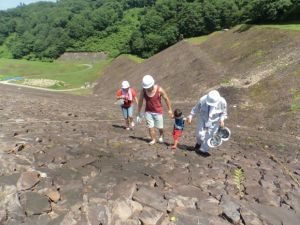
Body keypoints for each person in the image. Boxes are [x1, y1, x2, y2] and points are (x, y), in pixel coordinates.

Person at [187, 90, 227, 156]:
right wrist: (190, 116)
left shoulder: (222, 102)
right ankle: (199, 143)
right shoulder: (202, 100)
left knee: (210, 135)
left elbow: (224, 113)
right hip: (203, 118)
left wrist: (222, 120)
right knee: (199, 134)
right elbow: (195, 108)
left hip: (215, 121)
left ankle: (203, 150)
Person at [137, 75, 173, 145]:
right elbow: (140, 101)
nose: (147, 89)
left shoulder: (159, 90)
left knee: (160, 127)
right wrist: (138, 113)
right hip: (148, 112)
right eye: (146, 87)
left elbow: (166, 99)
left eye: (148, 87)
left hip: (158, 112)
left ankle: (161, 135)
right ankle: (153, 139)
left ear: (152, 84)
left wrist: (170, 109)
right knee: (150, 127)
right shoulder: (143, 91)